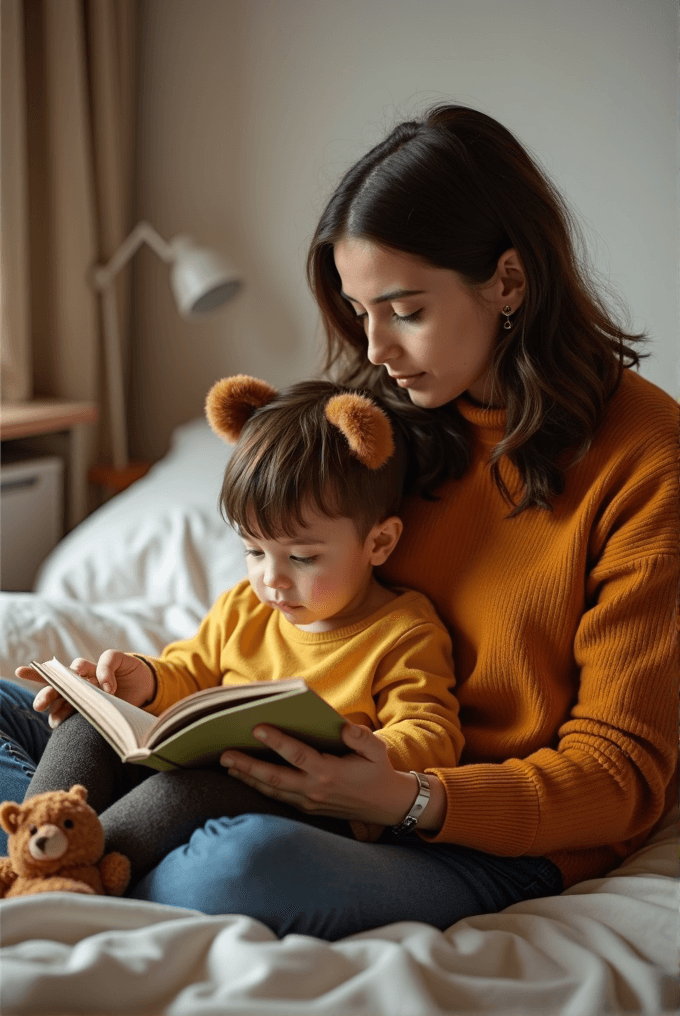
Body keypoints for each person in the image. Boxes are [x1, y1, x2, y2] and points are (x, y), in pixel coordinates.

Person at [121, 104, 676, 940]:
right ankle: (91, 840)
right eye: (358, 309)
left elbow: (620, 774)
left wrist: (412, 797)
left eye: (405, 310)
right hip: (298, 783)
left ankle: (101, 848)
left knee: (229, 868)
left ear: (509, 282)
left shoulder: (647, 460)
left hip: (476, 830)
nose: (374, 347)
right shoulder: (379, 419)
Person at [10, 376, 464, 878]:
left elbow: (432, 733)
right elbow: (190, 669)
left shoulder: (404, 631)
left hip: (307, 801)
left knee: (185, 793)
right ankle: (30, 851)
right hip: (199, 767)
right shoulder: (245, 606)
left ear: (378, 543)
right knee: (83, 726)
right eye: (253, 551)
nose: (272, 578)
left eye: (301, 557)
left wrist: (365, 752)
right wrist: (143, 680)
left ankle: (78, 875)